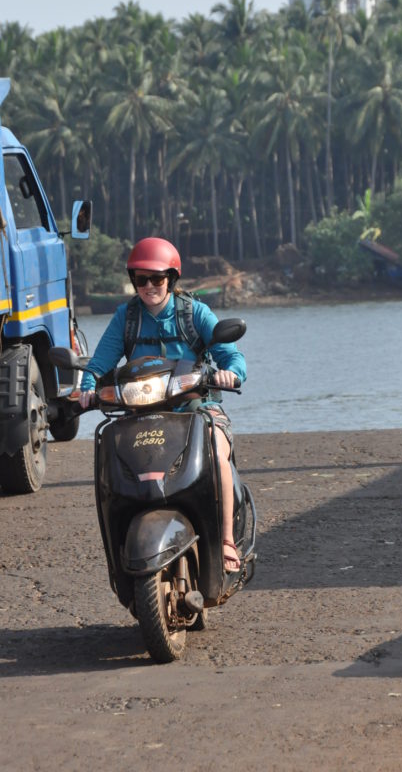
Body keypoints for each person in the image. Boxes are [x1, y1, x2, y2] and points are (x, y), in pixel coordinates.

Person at [78, 236, 247, 574]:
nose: (150, 286)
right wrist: (85, 388)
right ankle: (120, 548)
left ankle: (226, 539)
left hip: (195, 408)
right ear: (133, 281)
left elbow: (231, 355)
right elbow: (99, 364)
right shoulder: (126, 318)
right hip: (142, 412)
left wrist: (232, 373)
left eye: (157, 278)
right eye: (142, 279)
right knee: (110, 454)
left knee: (217, 450)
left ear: (172, 279)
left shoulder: (194, 313)